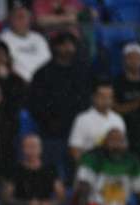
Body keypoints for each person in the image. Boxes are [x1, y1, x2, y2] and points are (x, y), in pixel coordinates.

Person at [26, 32, 90, 181]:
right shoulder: (42, 73)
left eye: (71, 44)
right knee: (53, 173)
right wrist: (50, 122)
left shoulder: (82, 71)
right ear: (55, 47)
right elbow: (35, 104)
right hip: (51, 132)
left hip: (78, 130)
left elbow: (87, 100)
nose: (68, 48)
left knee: (79, 174)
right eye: (64, 44)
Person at [73, 128, 140, 205]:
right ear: (104, 143)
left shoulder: (132, 162)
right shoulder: (92, 158)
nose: (117, 145)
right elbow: (82, 192)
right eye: (113, 141)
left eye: (120, 141)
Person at [0, 133, 65, 205]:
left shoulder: (50, 170)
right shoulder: (14, 170)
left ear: (40, 149)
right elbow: (6, 198)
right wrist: (26, 204)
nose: (32, 150)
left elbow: (61, 197)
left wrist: (49, 204)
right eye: (28, 147)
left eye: (34, 146)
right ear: (22, 149)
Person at [68, 82, 126, 163]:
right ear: (94, 97)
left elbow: (124, 147)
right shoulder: (83, 119)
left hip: (113, 166)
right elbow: (74, 149)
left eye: (109, 97)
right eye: (103, 96)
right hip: (91, 164)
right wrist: (85, 167)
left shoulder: (118, 119)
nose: (106, 100)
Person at [0, 5, 51, 83]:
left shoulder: (39, 38)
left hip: (44, 82)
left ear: (30, 20)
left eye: (23, 17)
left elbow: (48, 61)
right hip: (18, 83)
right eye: (17, 17)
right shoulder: (3, 39)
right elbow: (3, 66)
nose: (21, 20)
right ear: (10, 19)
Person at [114, 42, 140, 163]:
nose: (134, 61)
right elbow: (114, 109)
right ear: (124, 60)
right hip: (126, 134)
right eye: (130, 58)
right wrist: (138, 102)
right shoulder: (117, 82)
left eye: (137, 58)